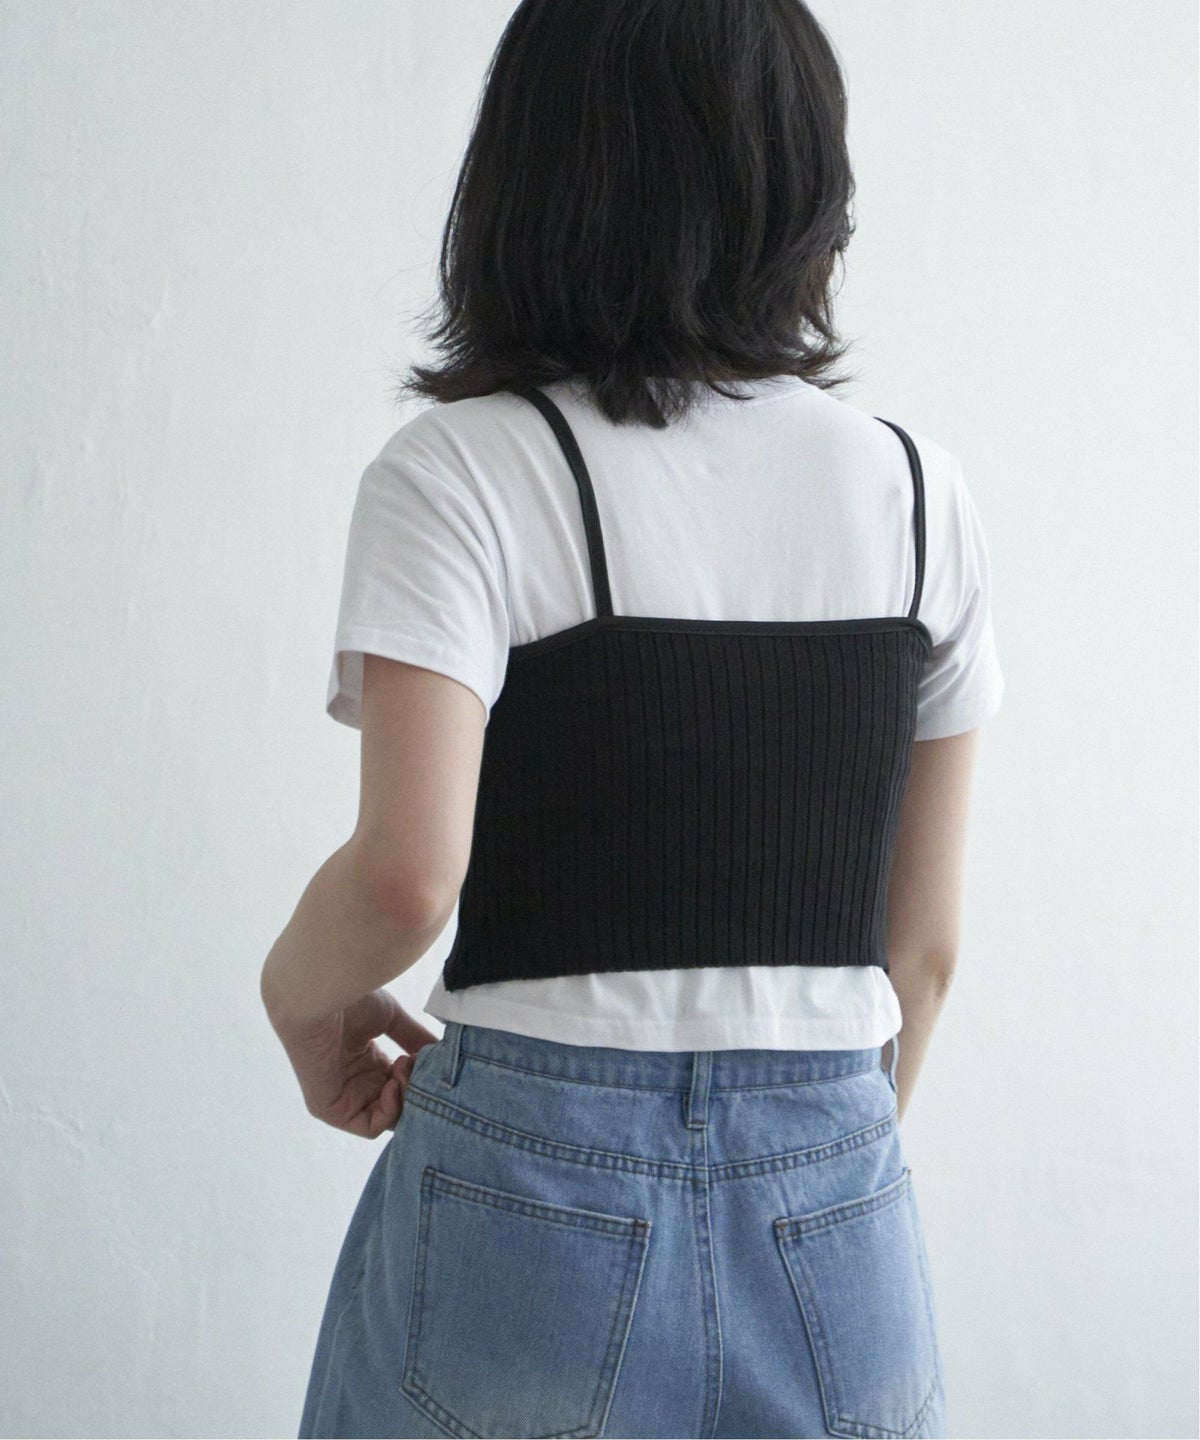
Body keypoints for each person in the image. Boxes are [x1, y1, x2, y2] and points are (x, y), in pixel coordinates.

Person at [261, 1, 1005, 1435]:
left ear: (534, 170)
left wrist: (302, 1004)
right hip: (836, 1189)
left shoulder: (462, 473)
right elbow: (923, 952)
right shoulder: (920, 494)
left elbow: (408, 878)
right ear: (805, 176)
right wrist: (805, 1170)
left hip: (530, 1193)